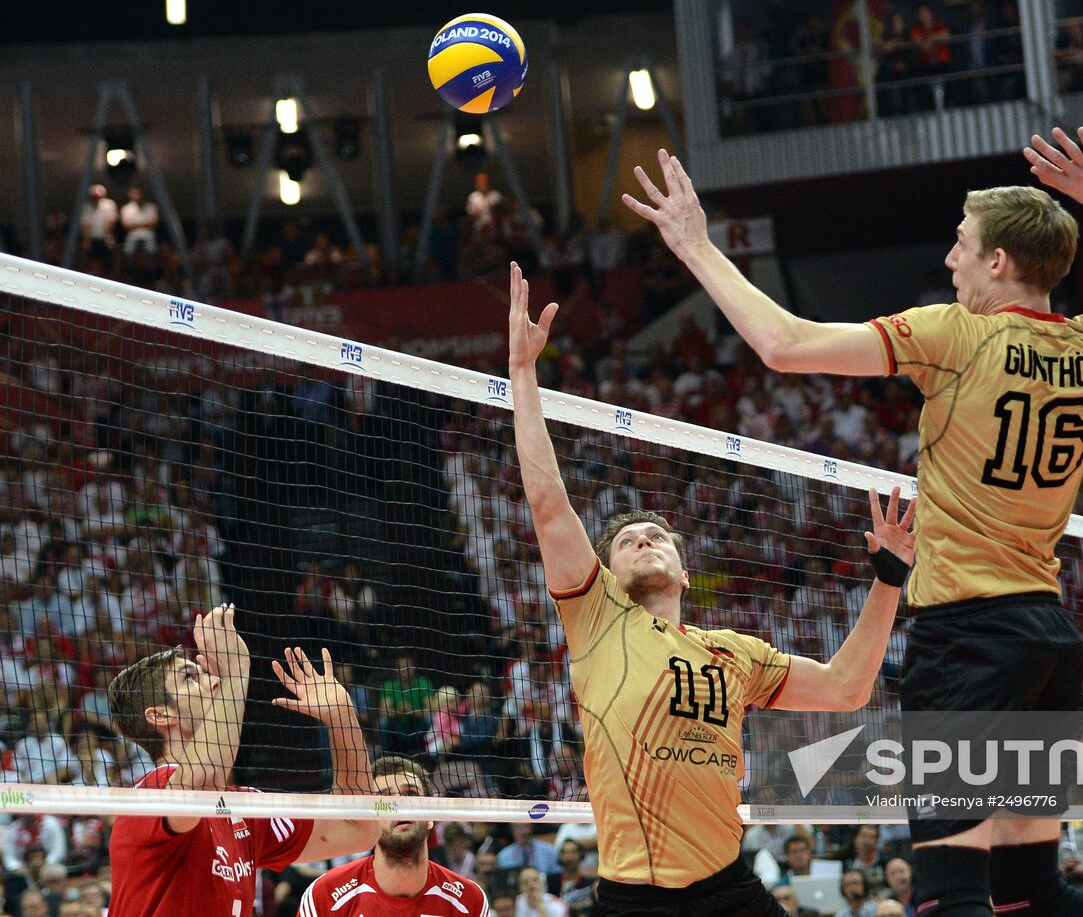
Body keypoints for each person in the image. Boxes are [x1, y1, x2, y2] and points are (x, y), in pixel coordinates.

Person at [624, 129, 1083, 917]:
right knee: (1032, 893)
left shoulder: (956, 335)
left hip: (967, 639)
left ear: (999, 262)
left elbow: (784, 344)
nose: (950, 260)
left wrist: (695, 246)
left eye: (962, 246)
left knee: (949, 894)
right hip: (1046, 638)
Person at [507, 261, 915, 915]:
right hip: (633, 897)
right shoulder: (599, 620)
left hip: (728, 890)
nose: (644, 539)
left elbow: (847, 687)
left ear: (687, 570)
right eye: (627, 540)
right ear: (604, 577)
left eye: (657, 536)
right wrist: (524, 377)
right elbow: (551, 505)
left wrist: (890, 579)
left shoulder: (735, 653)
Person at [105, 605, 380, 915]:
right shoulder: (148, 796)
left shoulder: (243, 810)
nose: (214, 682)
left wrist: (342, 720)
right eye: (190, 679)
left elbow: (359, 828)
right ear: (160, 715)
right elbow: (203, 777)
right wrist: (237, 667)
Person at [297, 755, 488, 916]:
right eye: (386, 799)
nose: (400, 806)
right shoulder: (324, 895)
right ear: (368, 820)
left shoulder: (470, 901)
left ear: (430, 817)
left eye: (411, 795)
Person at [120, 186, 159, 255]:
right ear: (130, 196)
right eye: (134, 194)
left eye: (138, 194)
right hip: (133, 234)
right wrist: (145, 223)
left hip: (148, 233)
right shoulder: (126, 208)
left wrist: (135, 224)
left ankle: (152, 264)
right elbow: (126, 226)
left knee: (152, 249)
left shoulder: (151, 207)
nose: (137, 196)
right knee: (128, 250)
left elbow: (154, 224)